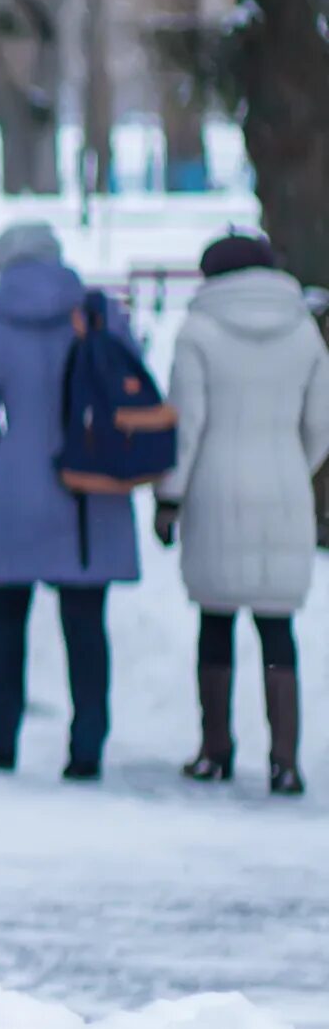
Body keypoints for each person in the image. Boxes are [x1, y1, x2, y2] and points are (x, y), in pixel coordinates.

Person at [0, 221, 140, 781]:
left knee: (7, 618)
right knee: (85, 623)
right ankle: (86, 746)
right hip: (90, 487)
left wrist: (4, 460)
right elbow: (130, 385)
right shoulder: (99, 314)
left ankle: (1, 735)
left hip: (17, 485)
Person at [155, 232, 329, 795]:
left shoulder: (197, 332)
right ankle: (285, 760)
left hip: (215, 487)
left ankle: (216, 749)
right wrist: (290, 467)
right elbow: (321, 424)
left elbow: (187, 427)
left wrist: (170, 496)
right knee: (278, 628)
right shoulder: (304, 332)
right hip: (284, 487)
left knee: (216, 621)